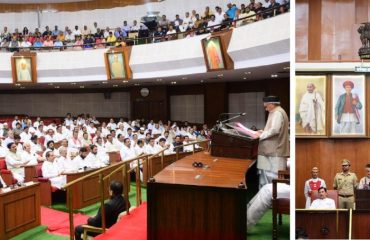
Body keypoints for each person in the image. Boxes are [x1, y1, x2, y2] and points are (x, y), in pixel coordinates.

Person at [255, 96, 289, 188]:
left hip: (275, 153)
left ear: (272, 104)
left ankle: (270, 201)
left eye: (266, 106)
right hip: (271, 152)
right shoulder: (275, 111)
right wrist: (263, 131)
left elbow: (275, 130)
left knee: (271, 178)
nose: (266, 109)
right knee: (267, 177)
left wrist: (261, 135)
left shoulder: (277, 112)